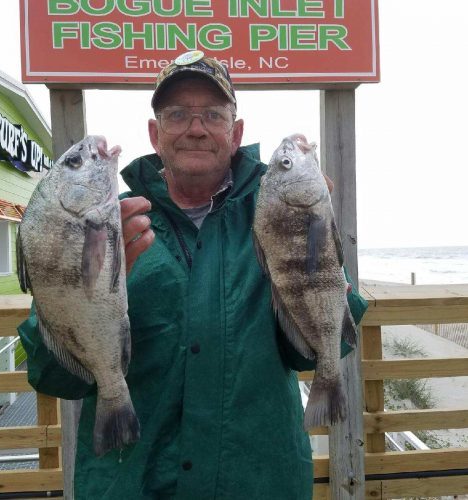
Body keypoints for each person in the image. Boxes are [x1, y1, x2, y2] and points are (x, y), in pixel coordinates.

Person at [18, 50, 367, 499]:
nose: (196, 128)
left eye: (213, 115)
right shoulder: (110, 224)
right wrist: (87, 284)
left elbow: (310, 354)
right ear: (155, 132)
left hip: (259, 484)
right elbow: (55, 377)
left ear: (236, 132)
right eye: (177, 114)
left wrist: (321, 251)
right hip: (133, 485)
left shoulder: (273, 216)